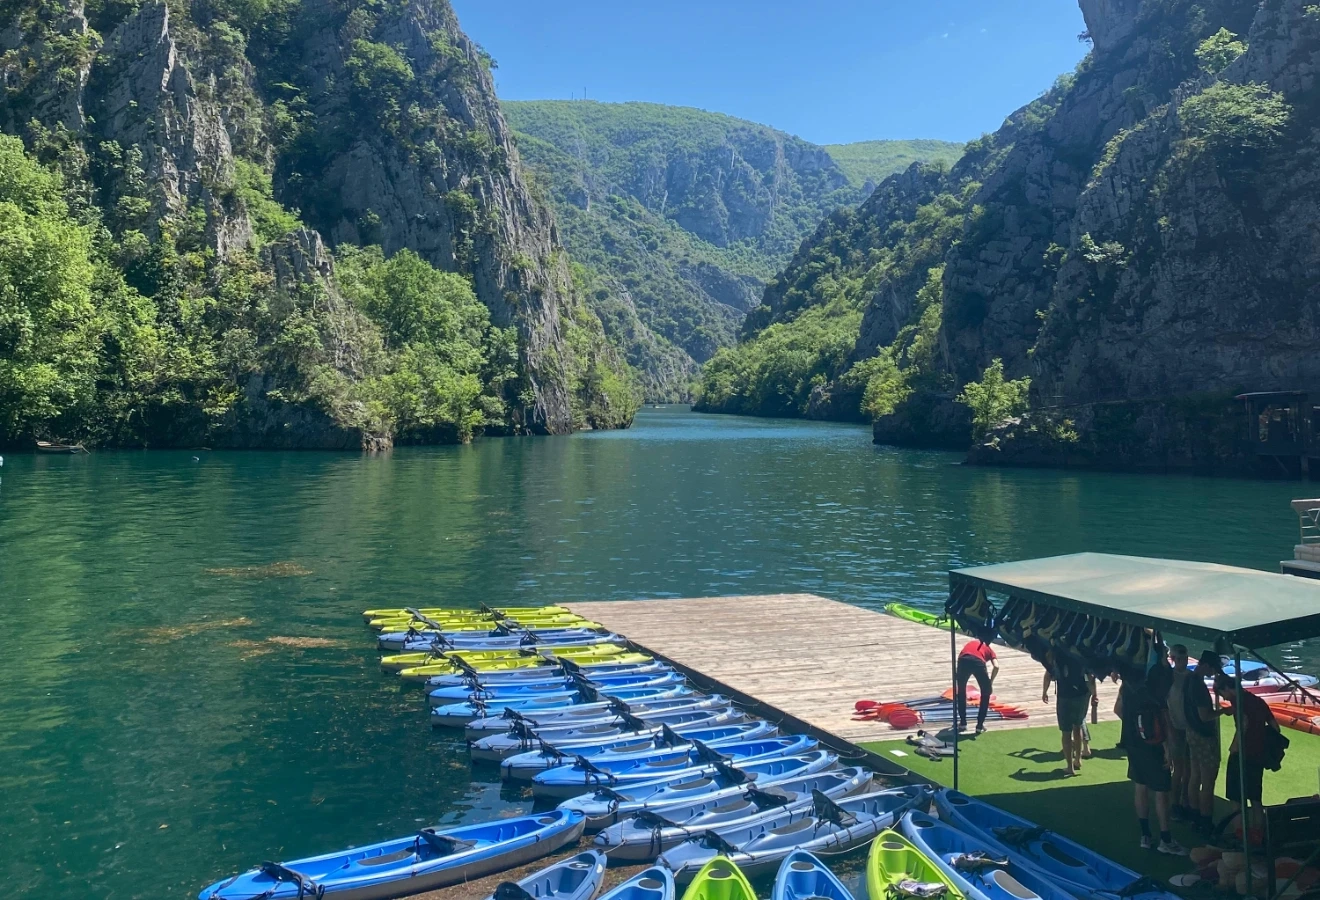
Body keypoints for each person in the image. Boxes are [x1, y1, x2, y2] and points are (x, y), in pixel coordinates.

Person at [1116, 670, 1187, 855]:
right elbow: (1165, 721)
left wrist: (1135, 727)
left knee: (1140, 786)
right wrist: (1168, 749)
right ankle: (1165, 839)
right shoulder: (1155, 690)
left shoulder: (1127, 687)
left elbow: (1118, 709)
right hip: (1154, 746)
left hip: (1133, 743)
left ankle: (1145, 835)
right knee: (1162, 791)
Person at [1215, 673, 1281, 841]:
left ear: (1227, 689)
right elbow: (1275, 728)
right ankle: (1258, 834)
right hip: (1257, 756)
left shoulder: (1238, 703)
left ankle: (1240, 834)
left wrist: (1235, 746)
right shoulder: (1259, 701)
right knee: (1255, 798)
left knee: (1236, 798)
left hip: (1240, 755)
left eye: (1222, 694)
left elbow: (1243, 724)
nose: (1224, 698)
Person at [1185, 651, 1223, 837]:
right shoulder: (1199, 687)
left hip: (1192, 733)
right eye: (1214, 668)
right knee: (1208, 782)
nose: (1215, 672)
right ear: (1206, 665)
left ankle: (1195, 817)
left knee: (1195, 776)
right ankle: (1206, 821)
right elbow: (1205, 715)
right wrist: (1223, 711)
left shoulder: (1188, 680)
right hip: (1204, 736)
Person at [1043, 651, 1090, 776]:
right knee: (1078, 726)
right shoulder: (1079, 653)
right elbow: (1089, 675)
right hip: (1081, 694)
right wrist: (1093, 693)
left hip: (1065, 696)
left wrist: (1044, 691)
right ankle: (1078, 760)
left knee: (1066, 732)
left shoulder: (1057, 655)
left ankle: (1070, 767)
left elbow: (1048, 674)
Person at [1166, 645, 1193, 819]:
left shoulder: (1191, 677)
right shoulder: (1168, 677)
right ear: (1173, 659)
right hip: (1175, 726)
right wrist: (1169, 729)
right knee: (1179, 768)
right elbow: (1164, 706)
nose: (1181, 662)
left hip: (1190, 727)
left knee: (1190, 768)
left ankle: (1186, 800)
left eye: (1184, 659)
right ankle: (1174, 803)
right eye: (1178, 659)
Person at [955, 632, 999, 733]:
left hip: (963, 660)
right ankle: (979, 726)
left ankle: (962, 723)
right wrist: (990, 683)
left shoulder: (971, 643)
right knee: (985, 693)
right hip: (978, 662)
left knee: (961, 692)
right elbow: (996, 666)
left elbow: (961, 655)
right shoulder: (989, 649)